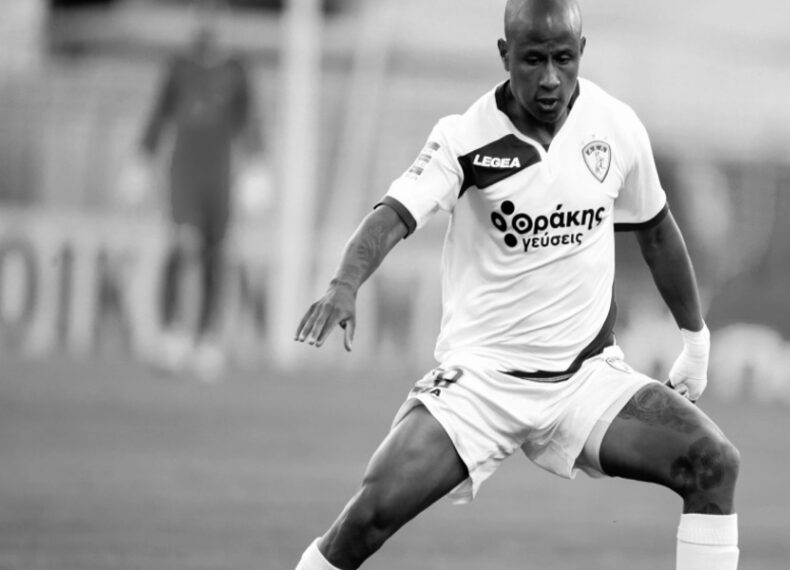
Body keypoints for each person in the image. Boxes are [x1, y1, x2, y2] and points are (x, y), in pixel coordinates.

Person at [293, 1, 740, 568]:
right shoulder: (464, 138)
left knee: (713, 463)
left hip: (585, 379)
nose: (550, 78)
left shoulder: (616, 126)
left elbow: (656, 233)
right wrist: (344, 284)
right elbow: (392, 216)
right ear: (505, 55)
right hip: (484, 384)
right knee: (368, 517)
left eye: (563, 59)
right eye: (533, 60)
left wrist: (695, 341)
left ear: (582, 53)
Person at [137, 4, 264, 376]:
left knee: (215, 253)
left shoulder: (236, 70)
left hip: (219, 173)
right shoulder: (179, 66)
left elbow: (249, 121)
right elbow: (158, 114)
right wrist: (141, 158)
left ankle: (207, 339)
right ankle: (171, 332)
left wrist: (257, 165)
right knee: (182, 245)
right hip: (185, 170)